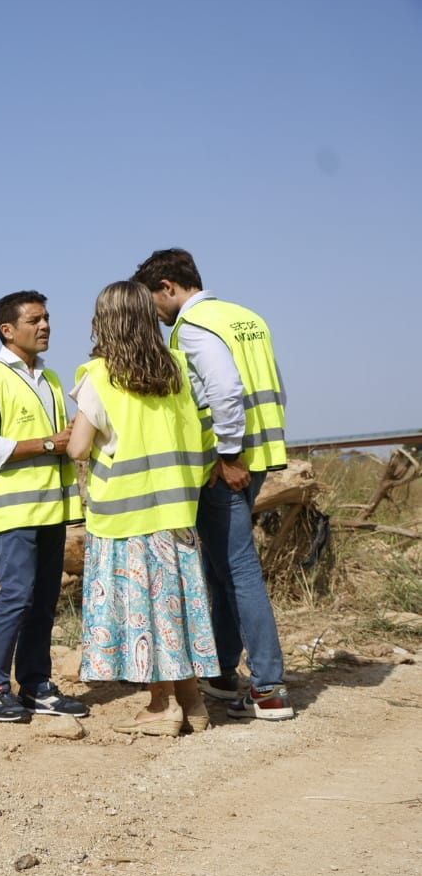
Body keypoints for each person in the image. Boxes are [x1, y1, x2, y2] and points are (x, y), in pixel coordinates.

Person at [132, 249, 292, 721]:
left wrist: (227, 454)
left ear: (167, 287)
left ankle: (269, 687)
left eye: (153, 302)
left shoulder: (194, 327)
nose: (154, 315)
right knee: (221, 567)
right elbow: (271, 385)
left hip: (227, 463)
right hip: (260, 452)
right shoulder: (245, 317)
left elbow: (224, 390)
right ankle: (223, 672)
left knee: (237, 570)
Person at [68, 282, 219, 735]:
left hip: (124, 516)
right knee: (175, 608)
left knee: (143, 612)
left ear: (105, 321)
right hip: (175, 510)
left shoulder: (98, 374)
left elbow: (78, 447)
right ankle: (192, 703)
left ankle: (160, 707)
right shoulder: (175, 366)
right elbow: (203, 427)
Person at [0, 290, 88, 723]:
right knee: (16, 596)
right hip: (14, 512)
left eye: (47, 317)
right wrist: (51, 442)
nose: (45, 325)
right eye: (35, 319)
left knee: (44, 600)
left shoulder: (51, 379)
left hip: (51, 509)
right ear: (8, 329)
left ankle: (35, 684)